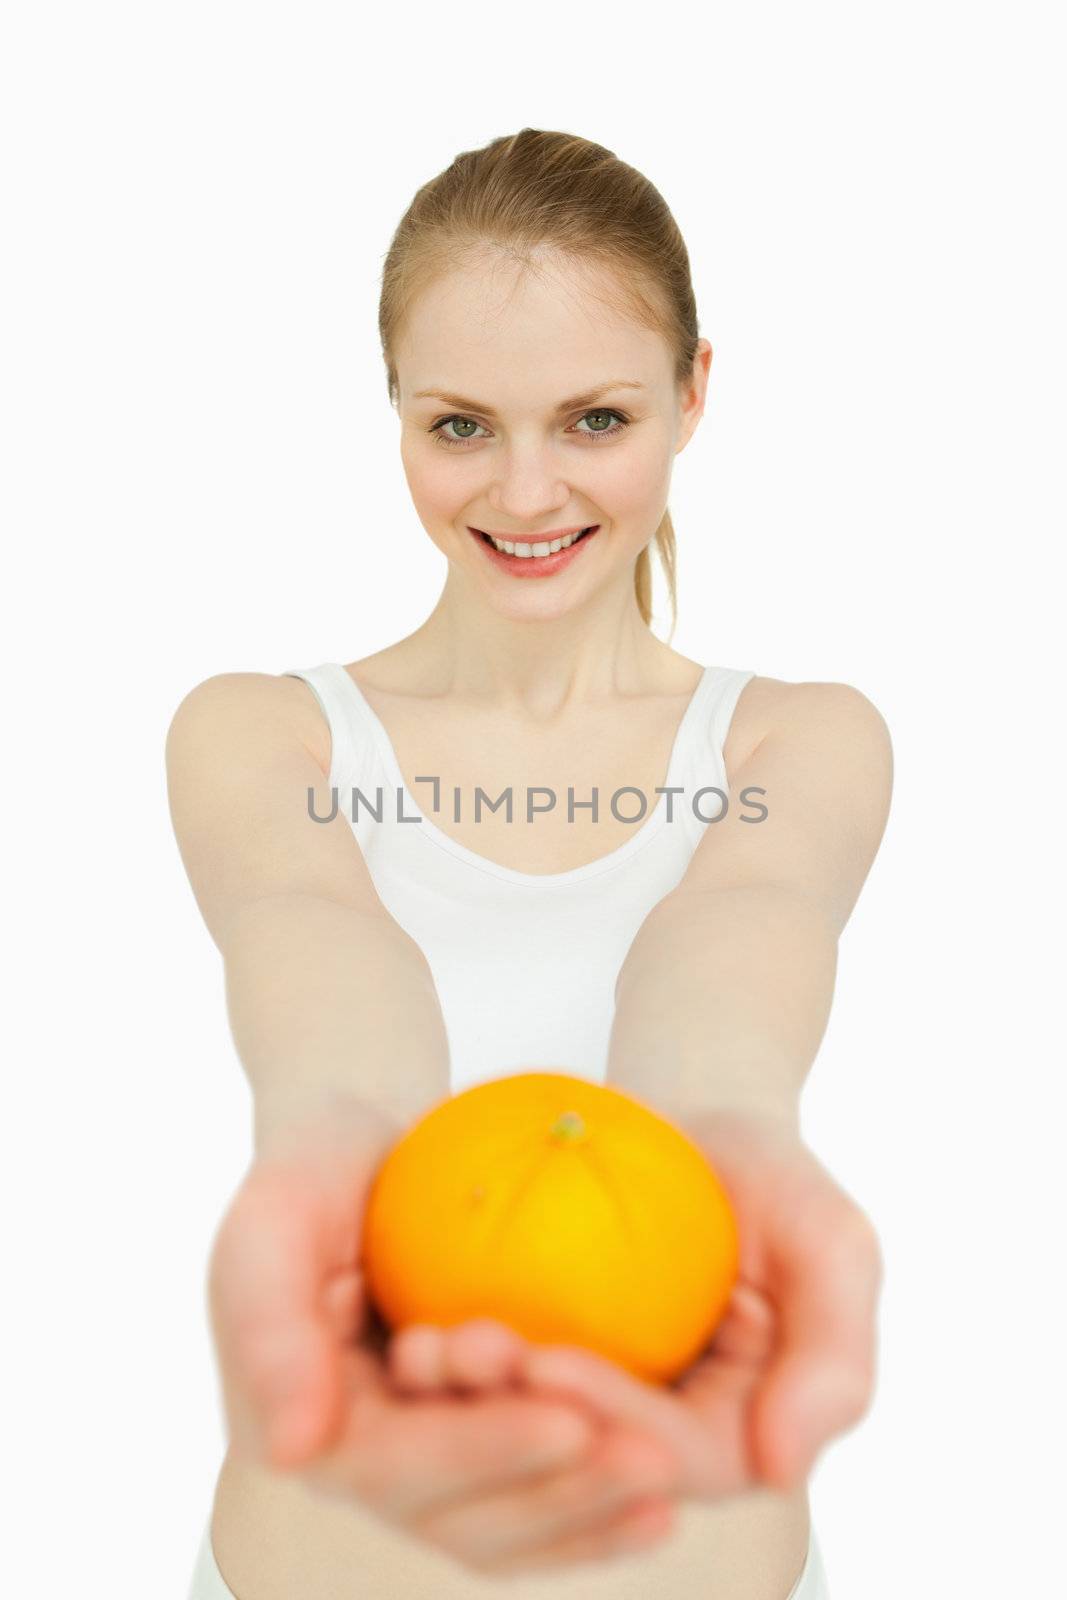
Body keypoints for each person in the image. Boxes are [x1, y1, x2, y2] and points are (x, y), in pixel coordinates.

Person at [168, 127, 890, 1600]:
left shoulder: (797, 746)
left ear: (693, 395)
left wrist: (719, 1143)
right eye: (460, 427)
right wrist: (340, 1138)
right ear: (394, 414)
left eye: (594, 420)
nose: (526, 492)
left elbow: (732, 960)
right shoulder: (262, 739)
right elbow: (322, 957)